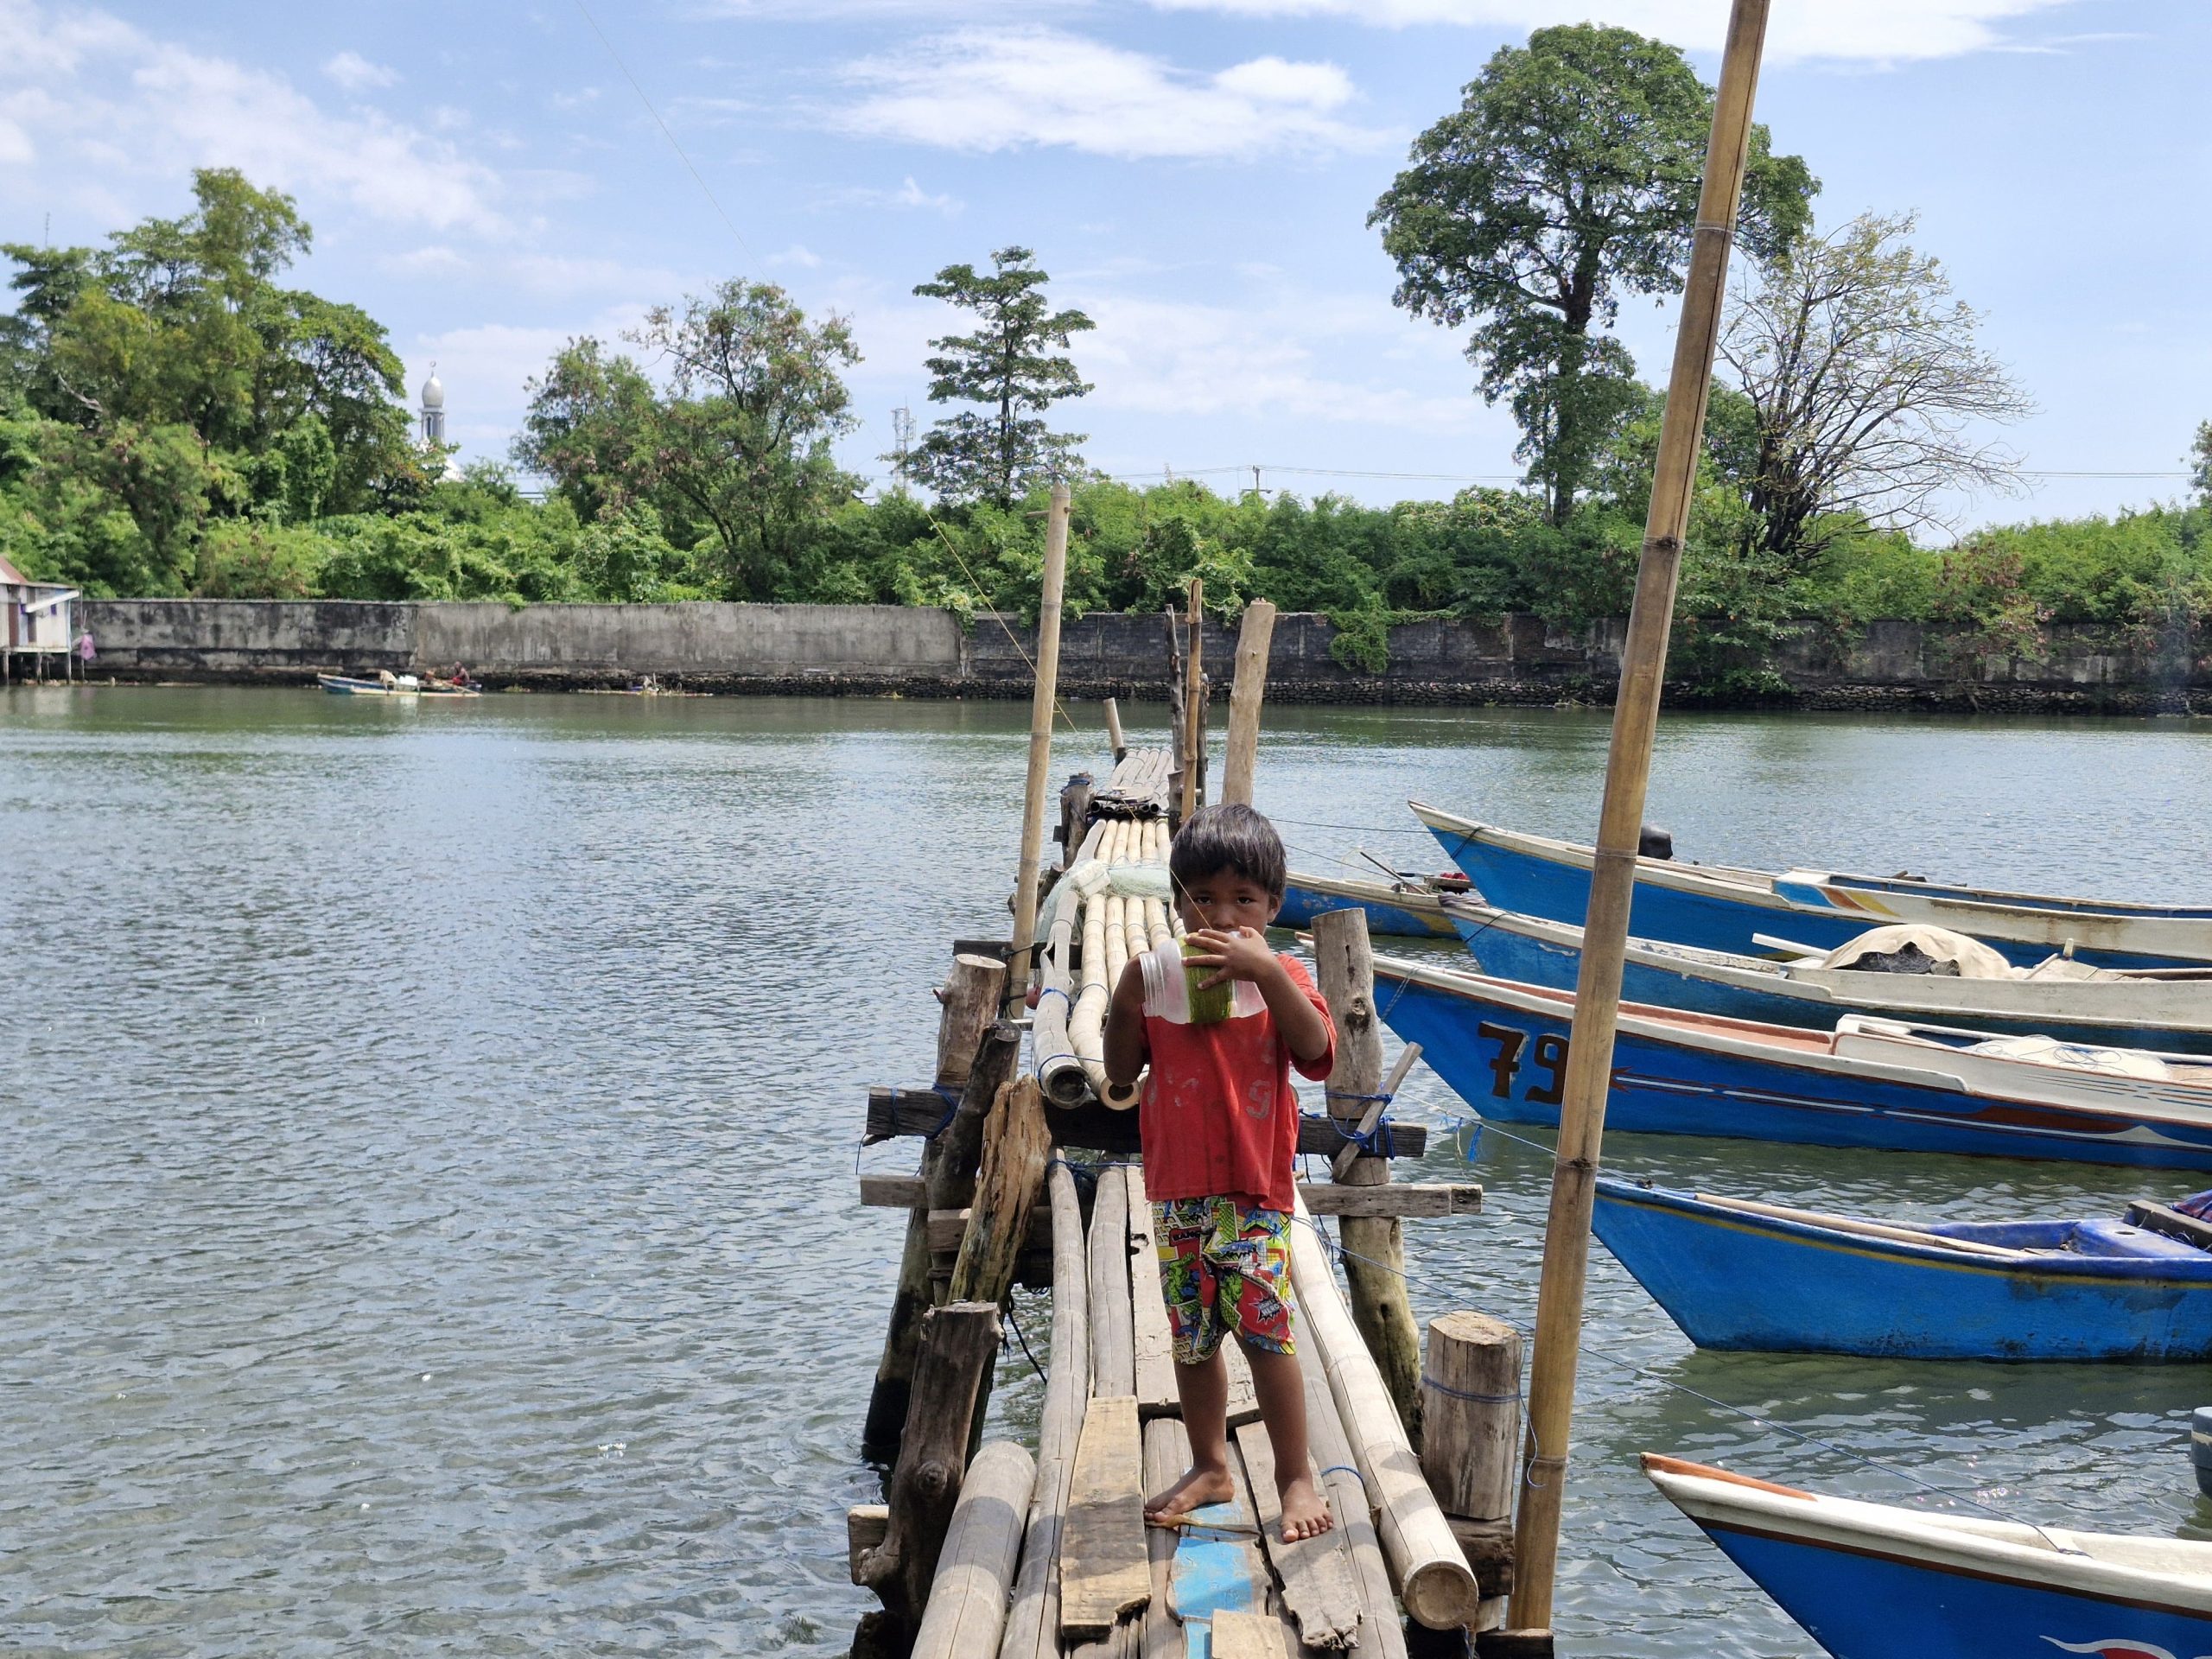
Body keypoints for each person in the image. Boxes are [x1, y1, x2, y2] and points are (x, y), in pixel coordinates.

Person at [1103, 802, 1338, 1543]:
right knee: (1193, 1338)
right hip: (1178, 1190)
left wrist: (1267, 972)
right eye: (1203, 898)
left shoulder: (1283, 974)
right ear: (1178, 903)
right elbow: (1120, 1072)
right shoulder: (1158, 977)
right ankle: (1210, 1465)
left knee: (1266, 1333)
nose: (1224, 916)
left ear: (1274, 905)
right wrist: (1126, 999)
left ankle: (1294, 1476)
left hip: (1253, 1190)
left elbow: (1317, 1053)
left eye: (1244, 899)